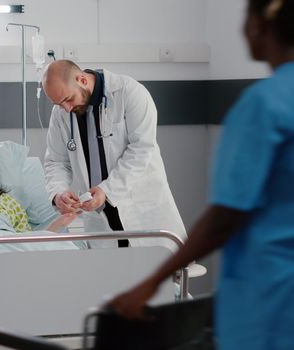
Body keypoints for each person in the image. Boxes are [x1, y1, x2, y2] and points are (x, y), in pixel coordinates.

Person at [110, 0, 294, 349]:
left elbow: (227, 214)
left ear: (257, 26)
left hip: (274, 295)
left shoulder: (265, 104)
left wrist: (151, 282)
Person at [42, 59, 186, 249]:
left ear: (82, 80)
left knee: (154, 272)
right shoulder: (60, 113)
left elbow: (142, 148)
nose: (66, 109)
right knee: (109, 275)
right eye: (59, 104)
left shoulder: (129, 92)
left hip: (142, 209)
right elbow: (56, 161)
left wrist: (106, 190)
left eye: (68, 99)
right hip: (99, 218)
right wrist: (58, 192)